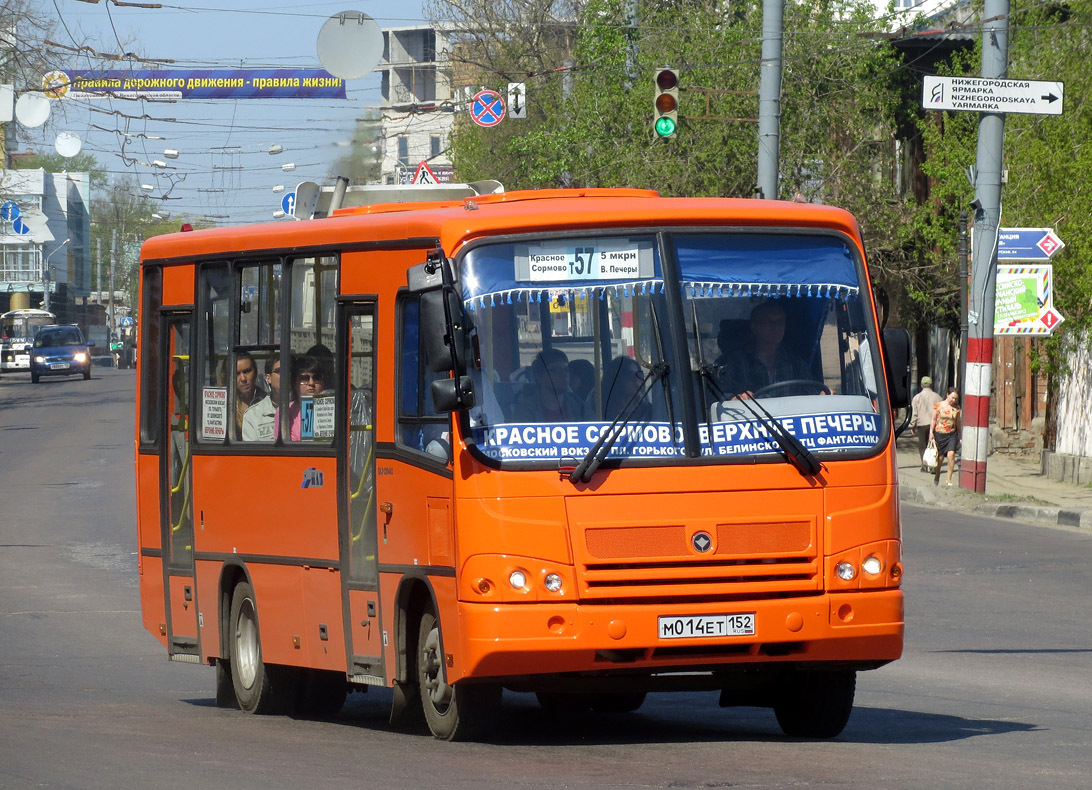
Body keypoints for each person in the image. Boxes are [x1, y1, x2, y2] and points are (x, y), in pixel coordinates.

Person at [718, 301, 812, 398]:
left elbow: (813, 393)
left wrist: (823, 394)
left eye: (780, 322)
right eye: (769, 322)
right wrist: (735, 399)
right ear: (754, 326)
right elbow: (716, 396)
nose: (776, 327)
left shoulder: (795, 363)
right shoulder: (732, 362)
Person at [510, 348, 587, 422]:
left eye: (566, 369)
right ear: (539, 376)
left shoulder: (579, 407)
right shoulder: (524, 410)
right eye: (555, 370)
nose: (564, 374)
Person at [283, 355, 326, 442]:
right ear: (294, 383)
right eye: (304, 378)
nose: (311, 383)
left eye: (317, 378)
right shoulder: (284, 412)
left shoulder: (332, 411)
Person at [241, 356, 281, 442]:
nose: (286, 375)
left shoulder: (304, 409)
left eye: (289, 370)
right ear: (268, 378)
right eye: (279, 371)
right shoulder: (253, 415)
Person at [601, 356, 651, 422]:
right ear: (617, 380)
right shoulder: (602, 412)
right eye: (630, 376)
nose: (637, 380)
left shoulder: (650, 412)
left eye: (639, 375)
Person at [930, 387, 962, 487]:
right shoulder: (939, 406)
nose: (954, 400)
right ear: (947, 395)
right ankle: (937, 474)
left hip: (952, 434)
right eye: (952, 397)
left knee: (951, 455)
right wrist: (931, 432)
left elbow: (958, 422)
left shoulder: (957, 408)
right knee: (940, 459)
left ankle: (948, 479)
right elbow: (933, 419)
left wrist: (960, 435)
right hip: (939, 433)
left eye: (956, 398)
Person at [910, 376, 943, 472]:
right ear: (931, 385)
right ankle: (933, 466)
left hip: (922, 424)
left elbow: (914, 413)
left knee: (923, 445)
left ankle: (924, 465)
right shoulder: (938, 397)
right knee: (934, 445)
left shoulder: (917, 398)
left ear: (921, 385)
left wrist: (912, 425)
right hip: (935, 425)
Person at [233, 352, 265, 440]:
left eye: (247, 371)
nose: (243, 379)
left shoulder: (267, 401)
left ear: (255, 372)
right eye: (237, 374)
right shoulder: (226, 404)